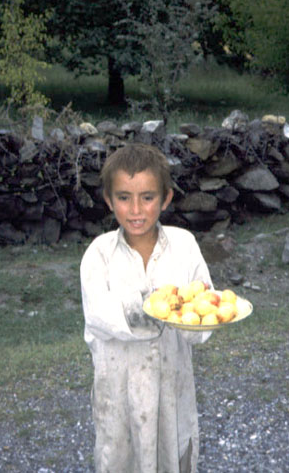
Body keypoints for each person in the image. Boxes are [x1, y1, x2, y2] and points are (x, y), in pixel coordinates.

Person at [80, 143, 213, 472]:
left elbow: (202, 317)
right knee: (120, 458)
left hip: (172, 390)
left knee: (173, 457)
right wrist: (156, 309)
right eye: (124, 197)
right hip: (119, 393)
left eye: (148, 197)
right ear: (109, 200)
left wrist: (198, 315)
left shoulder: (183, 246)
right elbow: (99, 316)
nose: (136, 209)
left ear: (166, 198)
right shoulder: (99, 255)